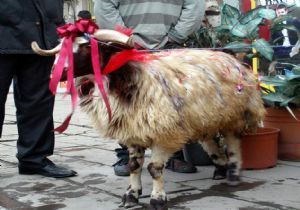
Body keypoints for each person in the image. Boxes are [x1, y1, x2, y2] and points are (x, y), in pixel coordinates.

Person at [94, 0, 205, 176]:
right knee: (127, 102)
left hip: (170, 46)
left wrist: (176, 36)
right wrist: (125, 38)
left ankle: (173, 153)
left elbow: (195, 5)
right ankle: (128, 155)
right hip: (126, 46)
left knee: (173, 102)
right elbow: (104, 5)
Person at [0, 0, 77, 178]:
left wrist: (59, 26)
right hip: (4, 33)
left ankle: (34, 159)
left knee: (38, 103)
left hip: (41, 37)